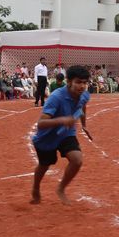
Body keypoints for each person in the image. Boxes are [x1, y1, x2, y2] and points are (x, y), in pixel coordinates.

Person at [30, 65, 92, 205]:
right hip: (47, 136)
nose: (82, 86)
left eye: (84, 82)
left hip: (66, 134)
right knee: (45, 165)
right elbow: (41, 123)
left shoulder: (84, 94)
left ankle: (61, 188)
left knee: (77, 160)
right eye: (78, 82)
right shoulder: (56, 97)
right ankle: (36, 187)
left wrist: (84, 125)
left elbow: (83, 106)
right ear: (69, 82)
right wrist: (63, 120)